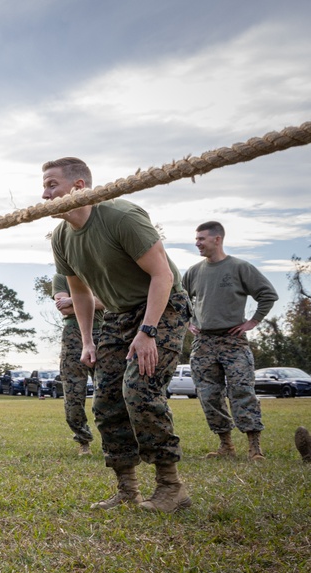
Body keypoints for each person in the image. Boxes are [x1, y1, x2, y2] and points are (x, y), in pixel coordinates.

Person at [43, 157, 192, 513]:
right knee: (107, 399)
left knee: (139, 390)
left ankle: (172, 488)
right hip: (117, 315)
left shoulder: (121, 216)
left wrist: (148, 332)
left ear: (78, 187)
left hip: (163, 307)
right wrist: (88, 341)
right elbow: (79, 292)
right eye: (44, 186)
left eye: (52, 185)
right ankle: (128, 489)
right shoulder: (62, 237)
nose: (45, 194)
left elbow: (163, 276)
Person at [183, 221, 278, 460]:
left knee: (242, 391)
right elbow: (179, 299)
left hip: (233, 341)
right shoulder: (194, 271)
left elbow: (268, 294)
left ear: (217, 239)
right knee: (208, 394)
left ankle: (254, 447)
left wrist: (252, 322)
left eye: (202, 239)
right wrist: (188, 321)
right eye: (196, 239)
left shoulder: (239, 267)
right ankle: (225, 445)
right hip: (203, 342)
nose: (197, 243)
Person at [52, 273, 104, 455]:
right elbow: (64, 309)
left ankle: (112, 441)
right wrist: (91, 302)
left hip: (104, 335)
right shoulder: (61, 277)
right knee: (73, 394)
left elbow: (109, 302)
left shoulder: (100, 270)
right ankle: (83, 441)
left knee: (108, 393)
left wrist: (71, 300)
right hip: (73, 336)